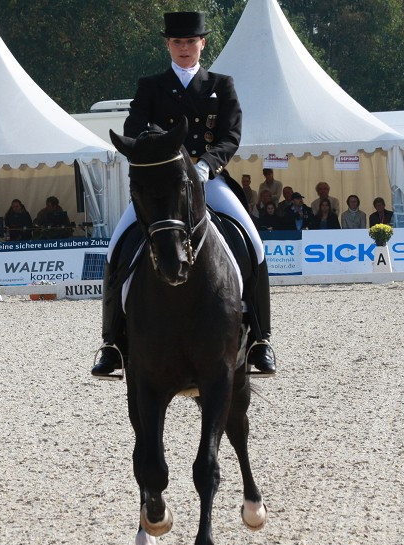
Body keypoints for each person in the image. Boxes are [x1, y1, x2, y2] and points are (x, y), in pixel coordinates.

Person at [92, 11, 276, 379]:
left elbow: (230, 136)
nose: (184, 48)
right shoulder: (151, 86)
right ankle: (111, 342)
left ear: (202, 44)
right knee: (116, 246)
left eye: (191, 42)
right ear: (168, 45)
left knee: (253, 243)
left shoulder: (221, 85)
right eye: (177, 42)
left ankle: (260, 338)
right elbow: (134, 130)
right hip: (163, 182)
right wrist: (159, 148)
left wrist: (207, 164)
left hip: (209, 178)